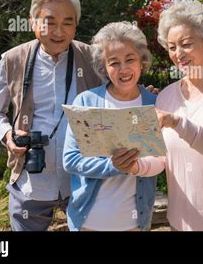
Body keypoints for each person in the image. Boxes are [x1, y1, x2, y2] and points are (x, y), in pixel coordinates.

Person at [114, 1, 203, 231]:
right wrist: (133, 165)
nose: (178, 54)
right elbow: (160, 160)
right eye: (172, 47)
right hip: (180, 223)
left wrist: (178, 122)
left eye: (186, 44)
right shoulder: (166, 96)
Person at [0, 0, 102, 231]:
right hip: (30, 180)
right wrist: (7, 135)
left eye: (68, 23)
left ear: (76, 25)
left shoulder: (93, 59)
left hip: (82, 178)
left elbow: (120, 96)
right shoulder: (12, 60)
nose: (59, 31)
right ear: (32, 22)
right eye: (49, 22)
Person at [62, 22, 157, 231]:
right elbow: (71, 161)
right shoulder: (86, 102)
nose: (123, 69)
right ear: (103, 67)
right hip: (88, 223)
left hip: (135, 224)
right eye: (114, 62)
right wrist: (113, 166)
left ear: (142, 61)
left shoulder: (155, 103)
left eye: (130, 59)